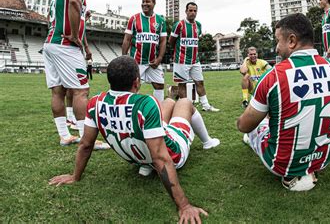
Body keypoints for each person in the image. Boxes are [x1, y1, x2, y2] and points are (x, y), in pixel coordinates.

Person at [49, 56, 218, 224]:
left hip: (138, 157)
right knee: (185, 102)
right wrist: (184, 205)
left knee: (167, 101)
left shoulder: (95, 103)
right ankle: (207, 142)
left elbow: (86, 145)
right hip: (173, 154)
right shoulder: (145, 103)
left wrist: (75, 176)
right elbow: (161, 158)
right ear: (136, 82)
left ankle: (146, 166)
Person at [237, 14, 330, 191]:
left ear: (292, 41)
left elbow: (244, 125)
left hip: (281, 164)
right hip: (323, 159)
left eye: (278, 41)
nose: (277, 48)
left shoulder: (274, 76)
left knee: (256, 125)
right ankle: (309, 167)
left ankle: (289, 167)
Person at [43, 0, 92, 146]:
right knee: (81, 91)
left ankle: (64, 135)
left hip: (50, 43)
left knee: (58, 91)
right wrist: (72, 34)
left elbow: (53, 17)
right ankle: (85, 137)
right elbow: (74, 1)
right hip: (65, 45)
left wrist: (85, 46)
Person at [169, 2, 219, 111]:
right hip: (181, 60)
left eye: (195, 11)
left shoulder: (199, 25)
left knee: (200, 82)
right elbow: (171, 41)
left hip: (195, 60)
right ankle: (184, 108)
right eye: (190, 10)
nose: (193, 13)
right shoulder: (179, 25)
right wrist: (178, 52)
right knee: (182, 85)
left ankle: (206, 106)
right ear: (186, 11)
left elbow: (196, 40)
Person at [122, 0, 167, 101]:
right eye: (143, 1)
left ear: (154, 3)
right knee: (133, 86)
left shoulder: (160, 20)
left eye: (148, 1)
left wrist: (159, 59)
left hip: (153, 62)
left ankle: (158, 109)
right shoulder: (134, 19)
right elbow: (127, 39)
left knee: (159, 85)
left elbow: (163, 41)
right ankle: (131, 107)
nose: (144, 4)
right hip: (137, 61)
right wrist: (124, 59)